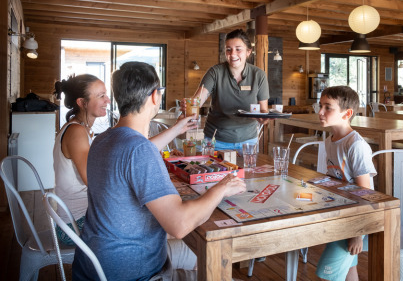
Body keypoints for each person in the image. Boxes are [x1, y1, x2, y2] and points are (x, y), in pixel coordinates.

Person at [72, 61, 246, 281]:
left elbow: (137, 153)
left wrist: (177, 128)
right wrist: (221, 188)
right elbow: (179, 226)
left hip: (95, 267)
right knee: (221, 268)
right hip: (135, 272)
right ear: (155, 96)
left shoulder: (102, 139)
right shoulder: (139, 151)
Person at [315, 86, 377, 281]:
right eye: (320, 106)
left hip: (356, 219)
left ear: (347, 113)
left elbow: (365, 192)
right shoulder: (329, 140)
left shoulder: (356, 145)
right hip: (340, 213)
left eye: (328, 107)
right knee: (349, 268)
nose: (320, 112)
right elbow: (334, 176)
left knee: (328, 275)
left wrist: (358, 232)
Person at [182, 29, 270, 153]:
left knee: (247, 173)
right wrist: (189, 106)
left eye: (238, 49)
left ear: (248, 52)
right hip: (215, 140)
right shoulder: (215, 72)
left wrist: (264, 118)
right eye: (228, 49)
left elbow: (263, 111)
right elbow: (197, 101)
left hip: (248, 141)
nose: (233, 54)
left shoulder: (259, 75)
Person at [52, 74, 111, 245]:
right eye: (101, 96)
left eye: (106, 94)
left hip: (80, 216)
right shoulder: (76, 132)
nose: (107, 100)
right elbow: (93, 182)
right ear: (81, 102)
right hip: (74, 225)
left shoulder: (81, 128)